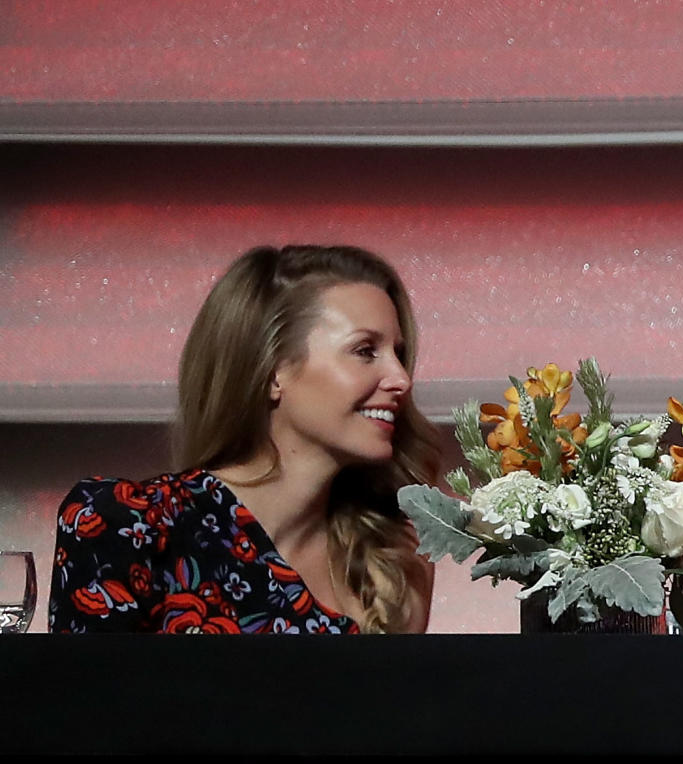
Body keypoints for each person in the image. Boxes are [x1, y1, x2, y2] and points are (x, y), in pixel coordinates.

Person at [49, 244, 441, 634]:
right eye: (365, 351)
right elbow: (83, 694)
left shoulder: (396, 562)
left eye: (398, 354)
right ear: (273, 371)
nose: (401, 379)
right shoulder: (126, 523)